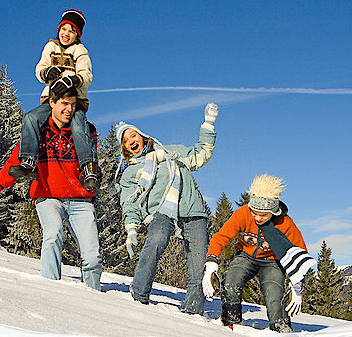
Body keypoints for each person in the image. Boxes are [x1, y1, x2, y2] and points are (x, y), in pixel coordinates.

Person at [0, 86, 102, 291]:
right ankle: (50, 290)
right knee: (53, 233)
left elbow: (91, 161)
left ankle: (93, 297)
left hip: (80, 199)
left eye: (73, 105)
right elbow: (11, 167)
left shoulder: (84, 131)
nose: (69, 109)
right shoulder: (35, 133)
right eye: (64, 104)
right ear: (52, 103)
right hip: (48, 197)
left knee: (92, 257)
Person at [115, 103, 219, 315]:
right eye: (125, 141)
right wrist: (131, 227)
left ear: (143, 137)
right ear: (124, 149)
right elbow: (129, 202)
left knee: (198, 264)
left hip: (192, 211)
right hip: (160, 212)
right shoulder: (131, 172)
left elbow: (201, 155)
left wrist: (208, 124)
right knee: (158, 239)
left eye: (133, 136)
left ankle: (193, 311)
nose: (131, 142)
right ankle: (139, 294)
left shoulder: (173, 153)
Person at [202, 174, 316, 333]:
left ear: (273, 211)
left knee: (274, 294)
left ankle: (280, 327)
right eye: (254, 212)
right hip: (245, 256)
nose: (257, 217)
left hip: (272, 262)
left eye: (263, 215)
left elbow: (300, 253)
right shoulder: (242, 214)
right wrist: (211, 263)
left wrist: (297, 285)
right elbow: (221, 237)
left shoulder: (285, 224)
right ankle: (230, 322)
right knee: (231, 281)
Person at [10, 9, 98, 192]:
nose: (66, 34)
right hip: (52, 100)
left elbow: (87, 75)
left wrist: (73, 79)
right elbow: (39, 68)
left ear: (78, 34)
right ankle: (28, 161)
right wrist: (46, 73)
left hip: (75, 101)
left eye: (72, 31)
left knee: (77, 126)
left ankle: (88, 168)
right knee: (31, 118)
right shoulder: (50, 47)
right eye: (64, 29)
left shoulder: (80, 51)